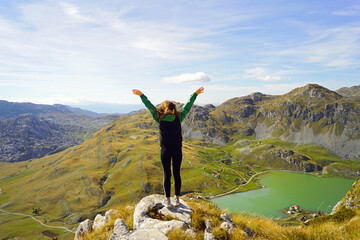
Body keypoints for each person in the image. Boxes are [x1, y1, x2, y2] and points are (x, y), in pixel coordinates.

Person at [132, 87, 204, 206]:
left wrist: (141, 95)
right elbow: (187, 106)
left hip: (165, 150)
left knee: (167, 174)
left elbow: (150, 106)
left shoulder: (159, 118)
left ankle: (168, 200)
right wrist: (195, 94)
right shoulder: (178, 118)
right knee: (177, 173)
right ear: (174, 109)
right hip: (177, 150)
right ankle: (176, 198)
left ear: (163, 109)